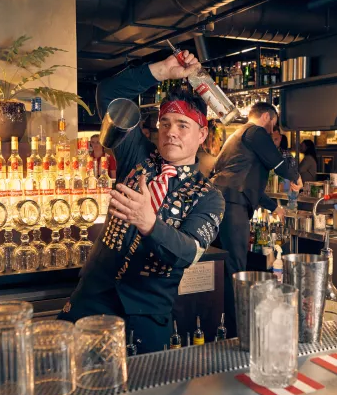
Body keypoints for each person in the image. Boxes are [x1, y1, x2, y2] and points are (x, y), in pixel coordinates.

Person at [58, 51, 225, 354]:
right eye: (165, 123)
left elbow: (188, 252)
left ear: (202, 135)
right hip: (92, 298)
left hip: (145, 316)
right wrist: (161, 70)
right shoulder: (137, 155)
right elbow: (109, 94)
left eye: (182, 126)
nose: (171, 132)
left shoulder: (209, 196)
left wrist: (149, 224)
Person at [211, 102, 302, 337]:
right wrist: (295, 175)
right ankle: (235, 330)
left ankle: (220, 323)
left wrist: (274, 207)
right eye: (273, 124)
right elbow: (279, 162)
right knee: (235, 268)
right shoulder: (255, 131)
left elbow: (246, 181)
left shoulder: (238, 137)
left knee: (222, 265)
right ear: (265, 117)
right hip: (232, 205)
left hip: (222, 201)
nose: (273, 130)